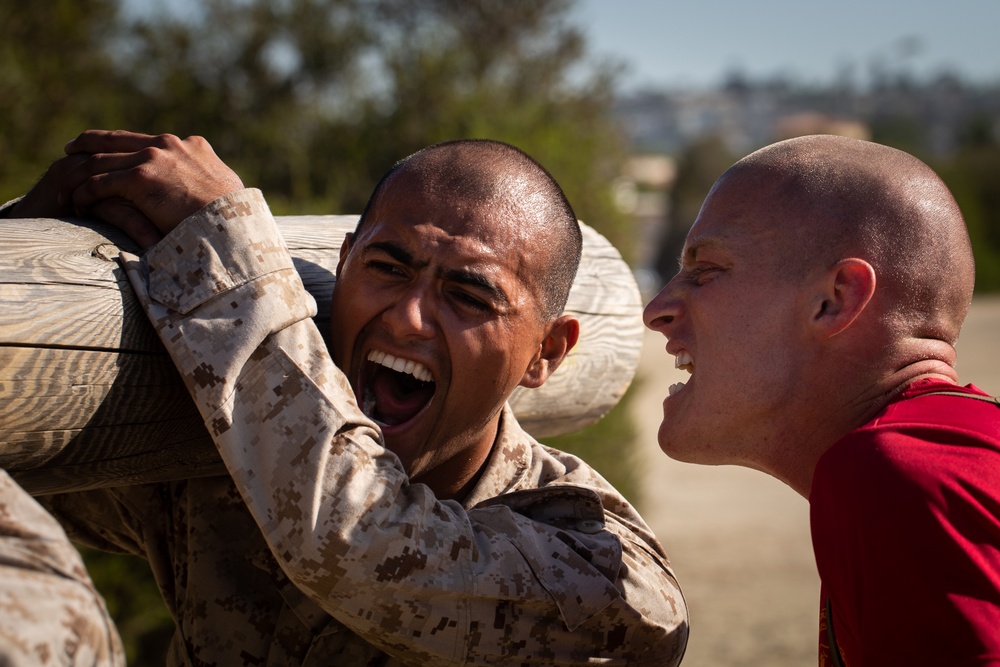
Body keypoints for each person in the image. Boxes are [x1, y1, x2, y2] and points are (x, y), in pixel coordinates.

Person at [8, 130, 688, 665]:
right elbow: (37, 480)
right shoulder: (233, 458)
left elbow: (361, 541)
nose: (407, 318)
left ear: (547, 352)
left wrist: (222, 247)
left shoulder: (608, 576)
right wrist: (29, 241)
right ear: (342, 263)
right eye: (388, 268)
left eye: (469, 295)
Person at [643, 133, 1000, 665]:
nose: (657, 309)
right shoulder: (951, 452)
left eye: (706, 270)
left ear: (835, 300)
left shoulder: (898, 474)